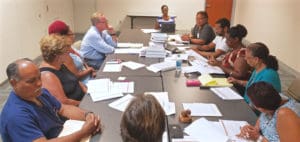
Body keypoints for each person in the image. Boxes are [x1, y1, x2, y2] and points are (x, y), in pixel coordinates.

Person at [0, 58, 101, 141]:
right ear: (13, 83)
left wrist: (87, 115)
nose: (39, 83)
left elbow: (63, 109)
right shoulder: (16, 116)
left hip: (61, 133)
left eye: (39, 77)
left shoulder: (39, 93)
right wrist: (82, 133)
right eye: (31, 81)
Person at [40, 34, 87, 106]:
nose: (68, 53)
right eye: (65, 52)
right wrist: (85, 103)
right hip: (77, 108)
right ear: (57, 56)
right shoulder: (47, 75)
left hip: (84, 99)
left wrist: (86, 91)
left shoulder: (59, 64)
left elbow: (75, 79)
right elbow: (63, 102)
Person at [48, 20, 96, 85]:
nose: (74, 36)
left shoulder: (71, 47)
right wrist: (89, 70)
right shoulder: (64, 54)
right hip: (84, 84)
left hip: (90, 77)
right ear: (63, 37)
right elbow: (75, 77)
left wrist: (90, 70)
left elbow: (82, 60)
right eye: (71, 34)